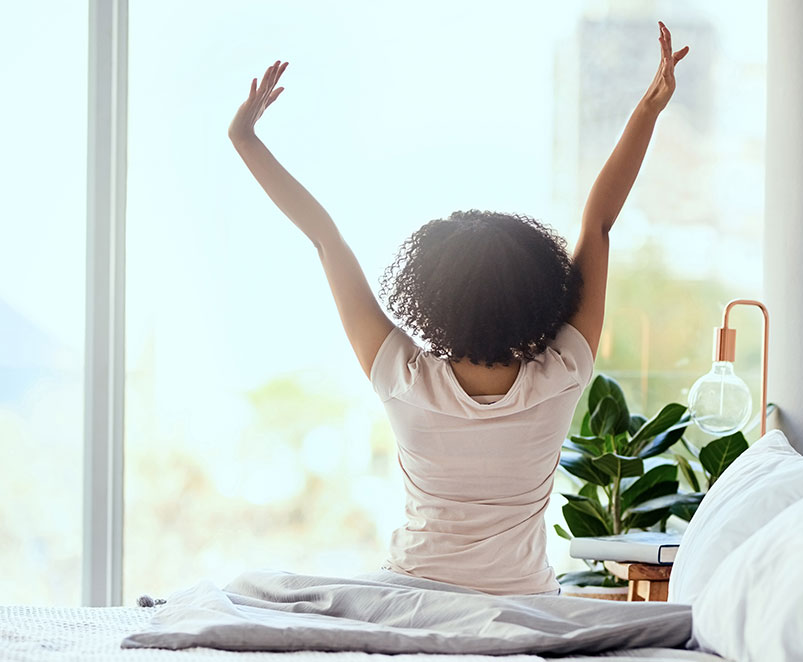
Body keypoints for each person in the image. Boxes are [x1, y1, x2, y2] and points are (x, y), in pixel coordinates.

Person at [228, 21, 688, 596]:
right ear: (541, 291)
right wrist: (648, 109)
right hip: (527, 605)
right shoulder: (563, 371)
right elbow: (597, 223)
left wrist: (245, 139)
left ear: (430, 300)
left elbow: (326, 240)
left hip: (410, 597)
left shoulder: (402, 377)